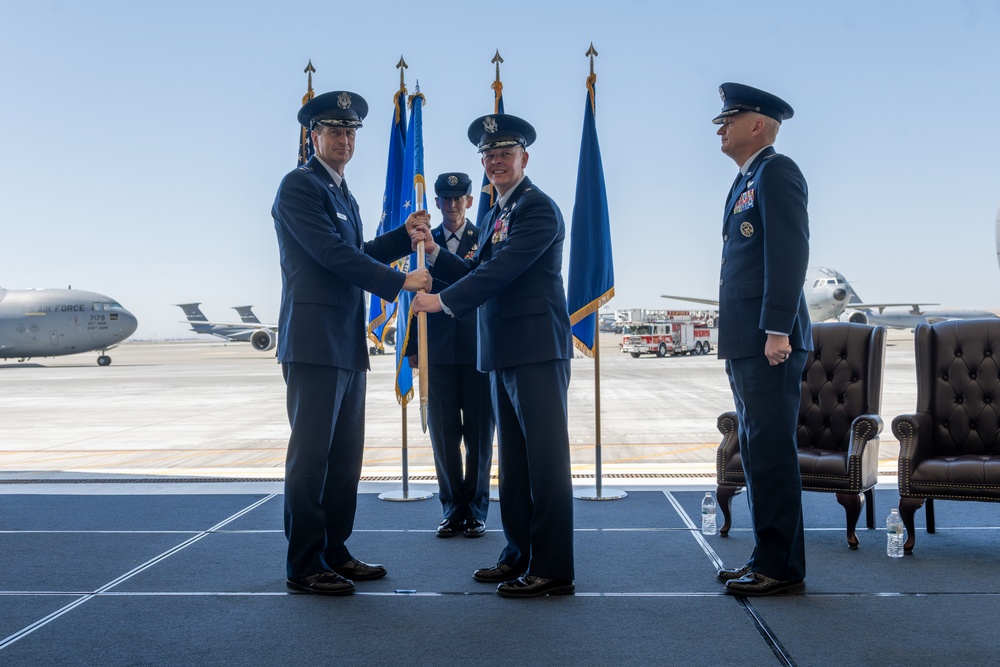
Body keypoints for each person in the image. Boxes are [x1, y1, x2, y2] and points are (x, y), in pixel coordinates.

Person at [272, 90, 432, 596]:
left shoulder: (343, 194)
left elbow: (355, 251)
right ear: (312, 136)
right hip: (313, 341)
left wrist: (401, 237)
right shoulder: (299, 187)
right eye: (333, 131)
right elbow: (328, 254)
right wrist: (400, 282)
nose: (343, 139)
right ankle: (304, 564)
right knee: (311, 459)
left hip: (345, 342)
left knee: (344, 461)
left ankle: (334, 552)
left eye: (350, 132)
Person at [411, 114, 575, 598]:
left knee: (545, 463)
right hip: (502, 354)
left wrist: (441, 301)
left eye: (505, 153)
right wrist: (433, 255)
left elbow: (499, 272)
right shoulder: (500, 213)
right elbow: (473, 267)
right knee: (518, 464)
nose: (496, 161)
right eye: (489, 155)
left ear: (525, 158)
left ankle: (552, 567)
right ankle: (519, 553)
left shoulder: (537, 208)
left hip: (536, 352)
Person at [711, 82, 812, 596]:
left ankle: (781, 568)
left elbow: (789, 252)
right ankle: (765, 556)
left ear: (758, 125)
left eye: (729, 119)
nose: (720, 127)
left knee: (770, 454)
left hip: (769, 340)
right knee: (755, 451)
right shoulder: (744, 181)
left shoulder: (777, 171)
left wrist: (776, 329)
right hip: (745, 340)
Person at [406, 172, 496, 538]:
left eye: (460, 198)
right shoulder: (421, 243)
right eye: (446, 198)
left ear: (470, 202)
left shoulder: (484, 237)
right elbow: (410, 297)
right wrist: (413, 348)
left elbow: (480, 281)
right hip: (437, 352)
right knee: (443, 438)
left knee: (478, 437)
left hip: (477, 350)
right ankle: (451, 510)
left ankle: (475, 511)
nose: (453, 204)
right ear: (438, 203)